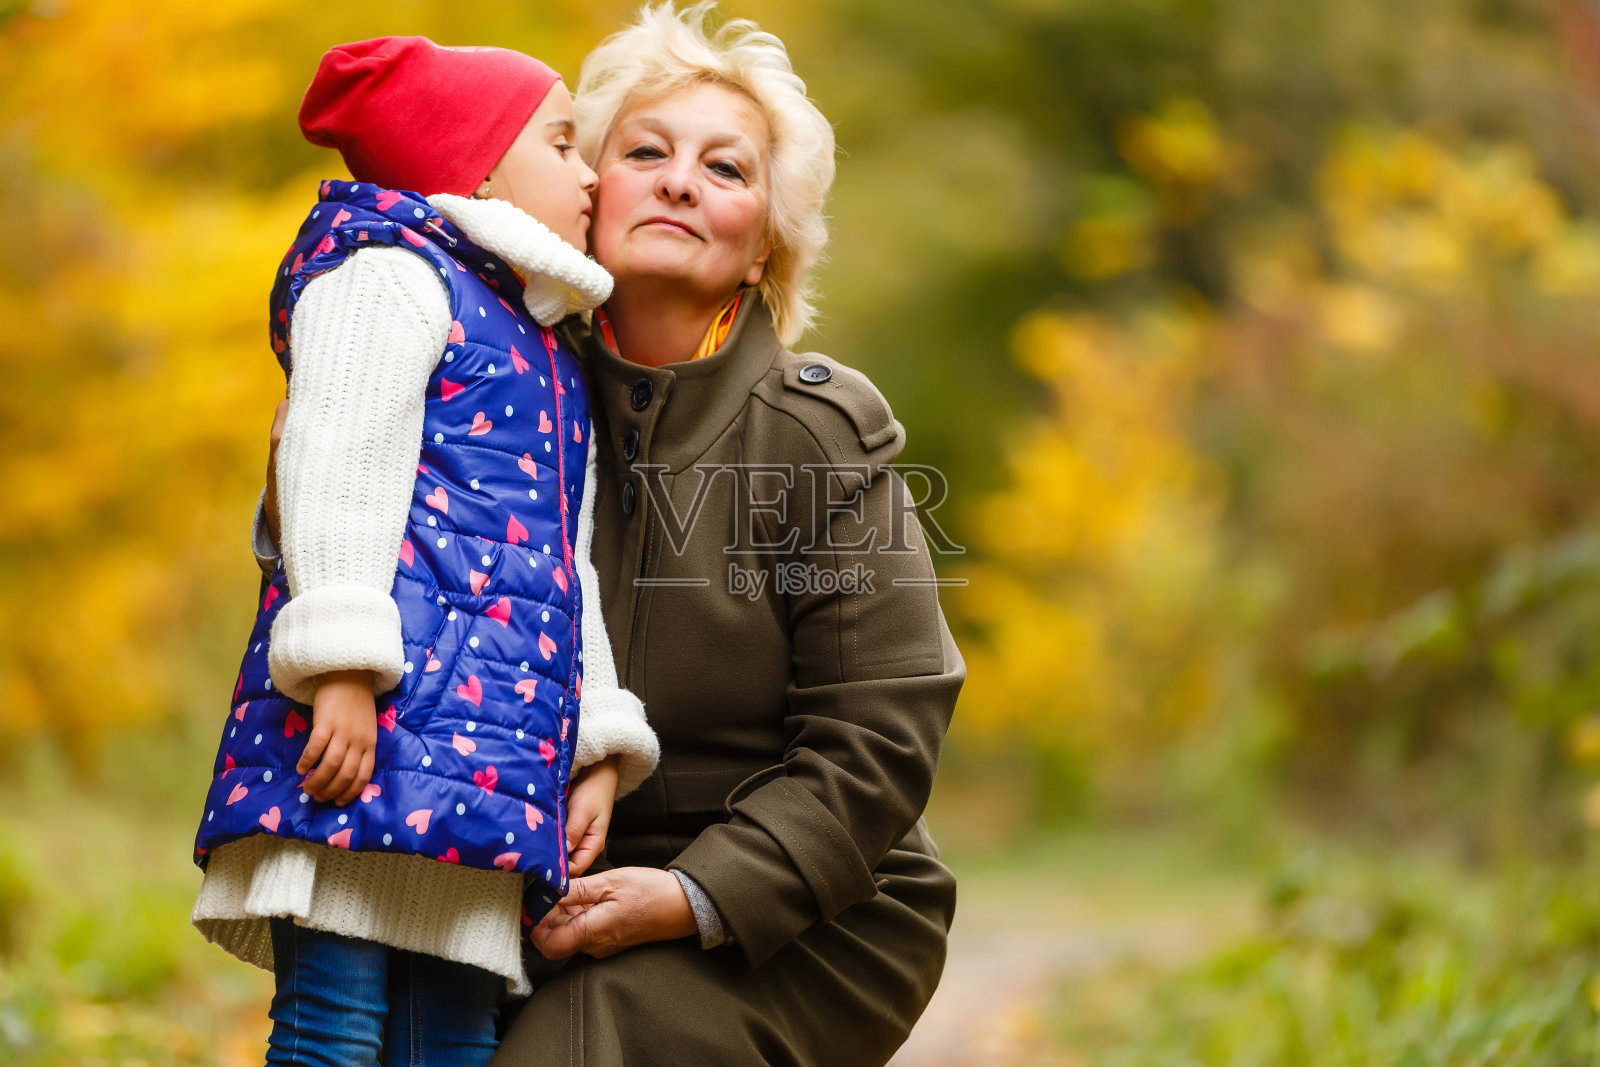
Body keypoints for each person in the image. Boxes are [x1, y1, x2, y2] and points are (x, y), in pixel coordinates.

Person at [498, 4, 965, 1063]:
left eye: (724, 168)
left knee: (580, 1041)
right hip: (527, 890)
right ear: (586, 194)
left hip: (802, 909)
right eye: (645, 152)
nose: (679, 182)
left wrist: (693, 892)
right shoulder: (494, 396)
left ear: (763, 248)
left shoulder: (820, 433)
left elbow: (880, 735)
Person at [190, 37, 659, 1066]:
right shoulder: (391, 277)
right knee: (334, 1030)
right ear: (477, 168)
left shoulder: (544, 346)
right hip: (364, 744)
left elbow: (561, 572)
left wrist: (592, 740)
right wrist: (341, 666)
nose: (590, 174)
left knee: (450, 1040)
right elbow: (334, 465)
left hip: (485, 768)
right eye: (562, 144)